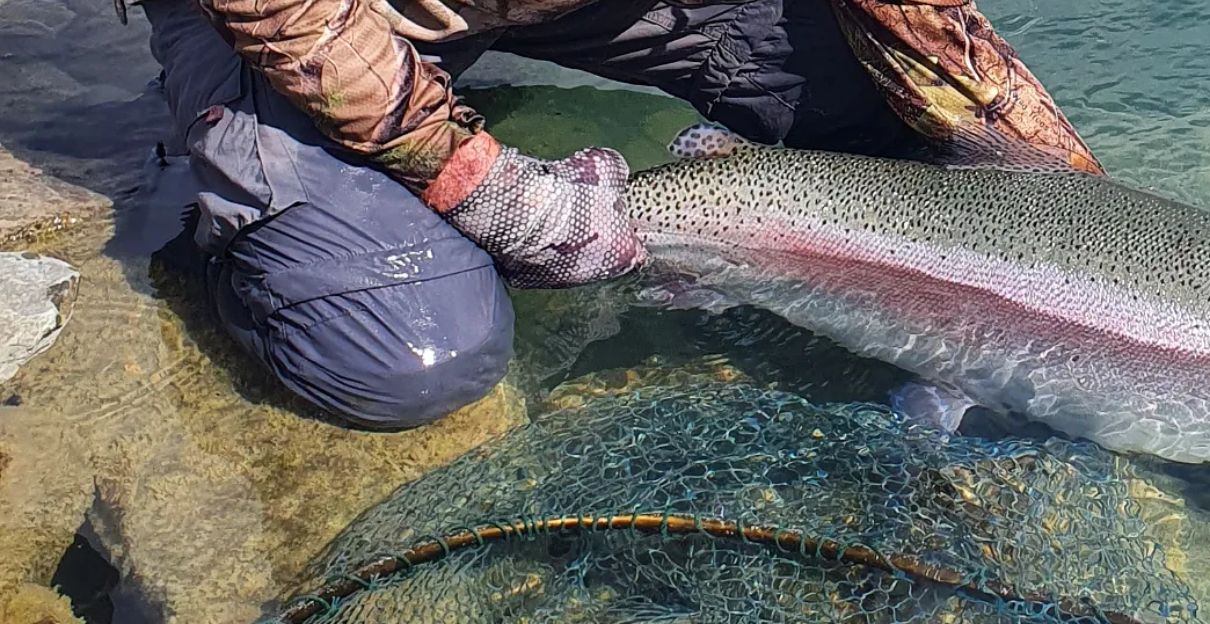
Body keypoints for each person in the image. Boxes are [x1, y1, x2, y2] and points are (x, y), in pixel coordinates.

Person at [130, 0, 1103, 429]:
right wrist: (485, 186)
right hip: (318, 15)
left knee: (915, 143)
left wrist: (1061, 194)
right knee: (413, 359)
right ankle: (239, 262)